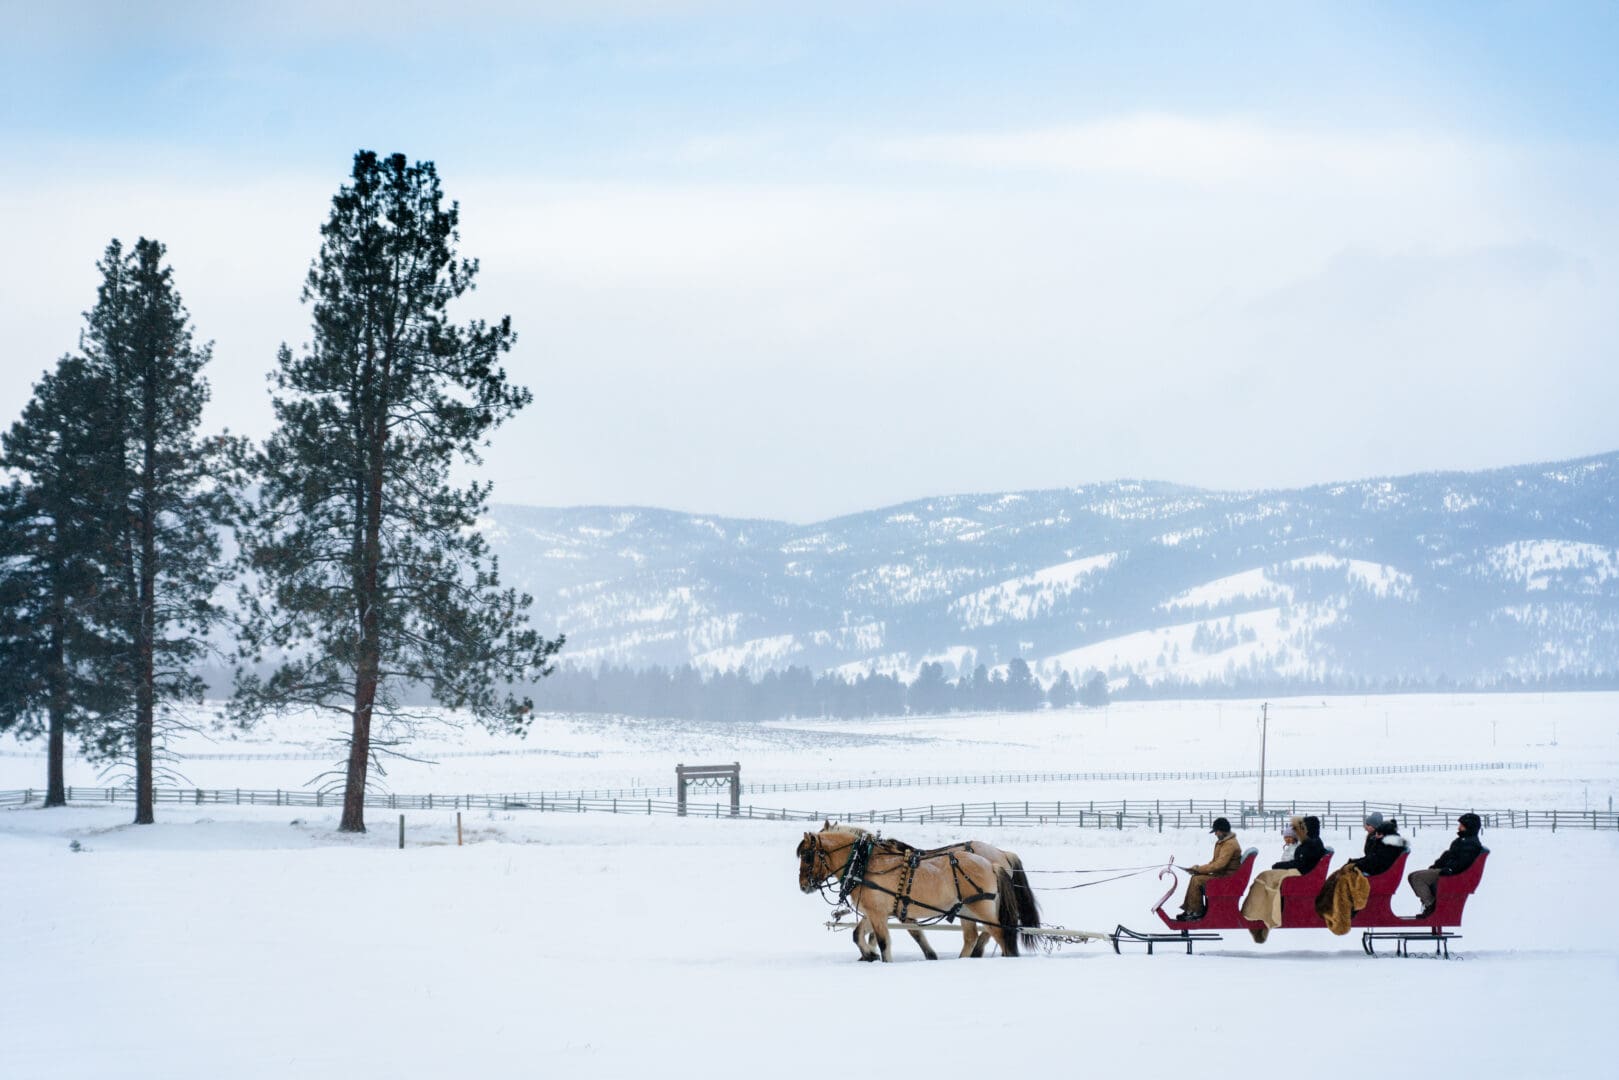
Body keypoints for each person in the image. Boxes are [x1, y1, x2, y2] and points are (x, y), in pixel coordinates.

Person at [1240, 814, 1324, 938]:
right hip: (1300, 873)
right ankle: (1259, 911)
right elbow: (1300, 862)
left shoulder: (1311, 844)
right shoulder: (1311, 842)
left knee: (1264, 877)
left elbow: (1300, 864)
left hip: (1299, 875)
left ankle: (1258, 913)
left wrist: (1280, 865)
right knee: (1265, 876)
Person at [1407, 812, 1483, 917]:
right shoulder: (1462, 841)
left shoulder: (1470, 843)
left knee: (1417, 878)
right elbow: (1447, 856)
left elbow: (1461, 862)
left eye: (1462, 825)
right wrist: (1436, 866)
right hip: (1447, 871)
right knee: (1412, 876)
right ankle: (1430, 904)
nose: (1459, 827)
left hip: (1452, 875)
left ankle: (1432, 905)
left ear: (1469, 827)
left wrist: (1449, 869)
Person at [1175, 817, 1241, 920]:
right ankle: (1191, 910)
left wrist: (1199, 870)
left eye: (1216, 831)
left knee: (1197, 880)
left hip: (1227, 880)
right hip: (1223, 876)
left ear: (1222, 830)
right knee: (1196, 877)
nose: (1215, 834)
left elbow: (1219, 865)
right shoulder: (1225, 842)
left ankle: (1196, 912)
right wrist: (1198, 869)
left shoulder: (1230, 844)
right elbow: (1215, 863)